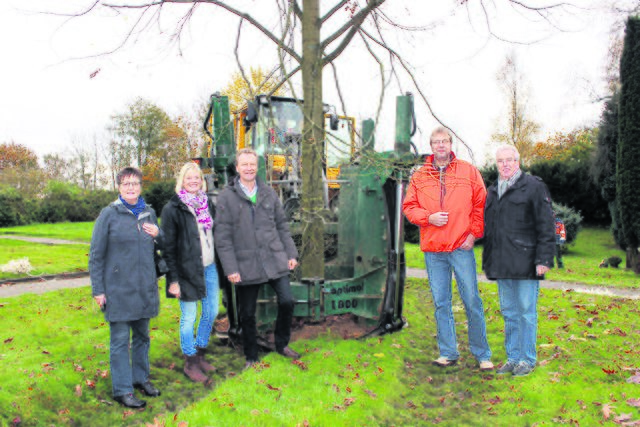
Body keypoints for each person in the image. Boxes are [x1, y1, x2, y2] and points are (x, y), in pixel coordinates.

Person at [402, 126, 493, 371]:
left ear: (451, 145)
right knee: (441, 302)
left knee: (471, 300)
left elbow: (480, 204)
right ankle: (448, 352)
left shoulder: (468, 171)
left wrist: (474, 234)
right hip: (434, 250)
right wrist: (428, 217)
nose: (440, 145)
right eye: (435, 142)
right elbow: (409, 207)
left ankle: (482, 354)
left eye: (444, 141)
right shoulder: (420, 176)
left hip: (461, 247)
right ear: (431, 147)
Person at [214, 147, 300, 368]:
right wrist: (231, 268)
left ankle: (281, 344)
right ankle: (251, 356)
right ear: (237, 168)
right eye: (245, 165)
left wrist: (290, 253)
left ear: (257, 166)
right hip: (245, 263)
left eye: (252, 164)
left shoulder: (268, 192)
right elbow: (222, 237)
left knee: (287, 301)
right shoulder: (227, 197)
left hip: (273, 258)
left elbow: (281, 225)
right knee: (248, 313)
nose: (249, 168)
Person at [89, 167, 162, 408]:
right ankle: (122, 389)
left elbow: (159, 249)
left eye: (135, 183)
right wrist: (98, 290)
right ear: (119, 187)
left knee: (142, 337)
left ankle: (140, 378)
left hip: (144, 288)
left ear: (141, 186)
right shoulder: (109, 215)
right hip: (118, 290)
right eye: (126, 183)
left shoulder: (149, 213)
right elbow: (96, 255)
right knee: (120, 340)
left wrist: (158, 235)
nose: (131, 187)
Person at [482, 145, 555, 377]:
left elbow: (546, 225)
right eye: (500, 161)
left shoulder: (533, 186)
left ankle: (527, 359)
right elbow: (491, 228)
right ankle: (513, 358)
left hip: (526, 261)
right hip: (503, 264)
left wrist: (543, 258)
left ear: (518, 161)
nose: (505, 164)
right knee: (509, 312)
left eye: (509, 160)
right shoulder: (493, 190)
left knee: (526, 312)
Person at [161, 162, 219, 384]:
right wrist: (173, 280)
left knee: (211, 311)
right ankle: (190, 362)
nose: (193, 181)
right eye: (189, 178)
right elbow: (168, 247)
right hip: (186, 271)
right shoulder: (173, 209)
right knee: (189, 318)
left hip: (210, 267)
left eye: (197, 178)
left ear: (201, 181)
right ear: (182, 181)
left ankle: (200, 352)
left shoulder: (206, 204)